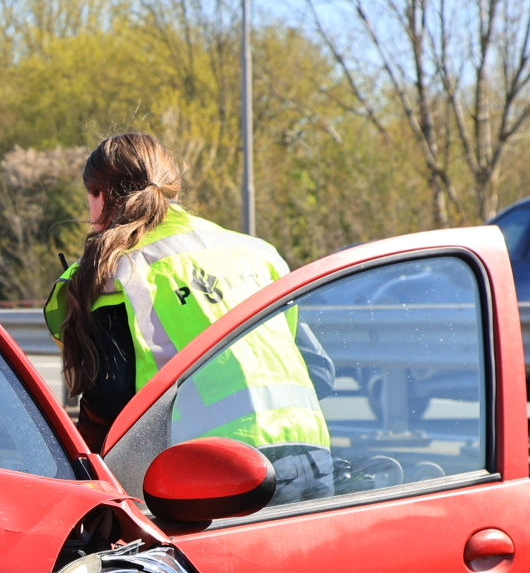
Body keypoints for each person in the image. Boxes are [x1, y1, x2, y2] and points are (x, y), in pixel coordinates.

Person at [43, 132, 333, 502]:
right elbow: (320, 373)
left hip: (214, 470)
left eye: (89, 198)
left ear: (99, 195)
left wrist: (79, 472)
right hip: (310, 454)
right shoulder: (256, 253)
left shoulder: (119, 269)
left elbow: (111, 398)